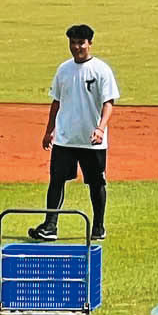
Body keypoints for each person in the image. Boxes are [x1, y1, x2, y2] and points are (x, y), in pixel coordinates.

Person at [31, 24, 117, 243]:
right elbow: (56, 101)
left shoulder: (101, 70)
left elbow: (108, 103)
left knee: (96, 183)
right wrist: (49, 131)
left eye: (81, 43)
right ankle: (50, 226)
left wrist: (100, 128)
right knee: (56, 181)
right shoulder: (64, 70)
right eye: (73, 42)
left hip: (92, 141)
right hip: (66, 139)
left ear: (90, 44)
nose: (76, 47)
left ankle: (98, 226)